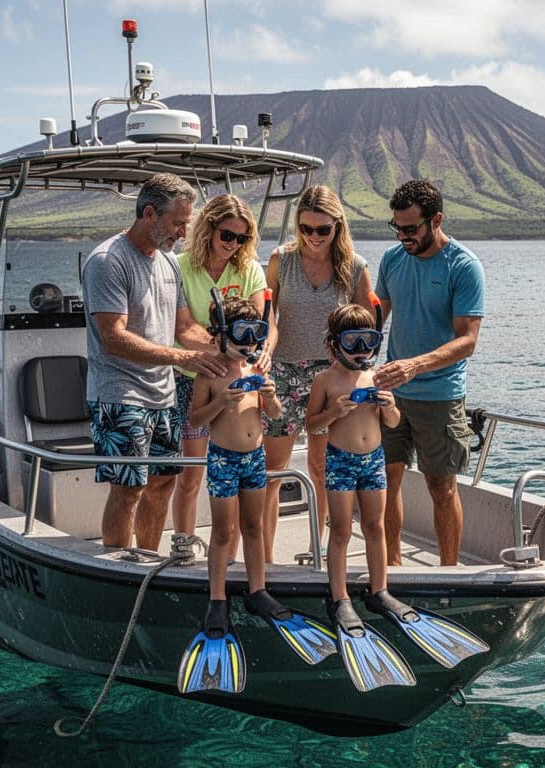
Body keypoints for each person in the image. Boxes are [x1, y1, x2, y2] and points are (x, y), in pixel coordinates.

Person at [306, 303, 487, 686]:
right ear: (333, 346)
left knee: (374, 526)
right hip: (341, 462)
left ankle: (379, 589)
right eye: (351, 342)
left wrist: (389, 408)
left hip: (373, 461)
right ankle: (339, 597)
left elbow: (393, 422)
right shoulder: (325, 381)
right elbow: (313, 425)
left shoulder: (376, 378)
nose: (360, 351)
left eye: (367, 342)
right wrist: (334, 412)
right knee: (340, 530)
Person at [177, 296, 334, 694]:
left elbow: (278, 415)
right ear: (221, 335)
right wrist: (221, 402)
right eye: (242, 336)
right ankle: (217, 599)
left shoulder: (256, 368)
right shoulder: (210, 373)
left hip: (255, 457)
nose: (250, 344)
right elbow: (195, 419)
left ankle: (258, 589)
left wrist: (270, 394)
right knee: (224, 531)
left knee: (253, 526)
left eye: (257, 336)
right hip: (224, 460)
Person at [81, 172, 229, 551]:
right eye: (179, 223)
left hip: (162, 395)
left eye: (186, 223)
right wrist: (184, 358)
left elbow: (184, 327)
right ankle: (117, 571)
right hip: (120, 395)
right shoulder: (107, 261)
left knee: (163, 482)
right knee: (129, 488)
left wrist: (222, 350)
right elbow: (113, 338)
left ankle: (147, 560)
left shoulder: (168, 262)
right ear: (150, 213)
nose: (183, 233)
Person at [373, 179, 485, 567]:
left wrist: (415, 365)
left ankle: (449, 572)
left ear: (435, 220)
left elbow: (467, 340)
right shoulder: (391, 260)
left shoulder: (464, 266)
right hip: (391, 393)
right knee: (386, 481)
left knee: (442, 487)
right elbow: (376, 318)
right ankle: (392, 568)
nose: (403, 236)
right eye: (397, 228)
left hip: (439, 393)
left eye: (411, 228)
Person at [260, 185, 374, 563]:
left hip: (332, 376)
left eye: (322, 230)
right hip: (286, 371)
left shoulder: (355, 267)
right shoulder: (281, 260)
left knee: (322, 467)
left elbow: (365, 330)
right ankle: (265, 556)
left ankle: (317, 547)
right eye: (306, 228)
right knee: (274, 469)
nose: (313, 238)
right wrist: (266, 351)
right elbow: (270, 320)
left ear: (337, 226)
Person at [168, 194, 269, 539]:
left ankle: (231, 556)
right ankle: (183, 542)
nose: (233, 244)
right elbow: (182, 328)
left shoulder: (250, 269)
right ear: (208, 229)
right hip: (193, 376)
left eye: (242, 238)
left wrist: (261, 350)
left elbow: (259, 324)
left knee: (240, 467)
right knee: (193, 472)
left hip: (239, 378)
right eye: (227, 235)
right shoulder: (180, 266)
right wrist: (222, 347)